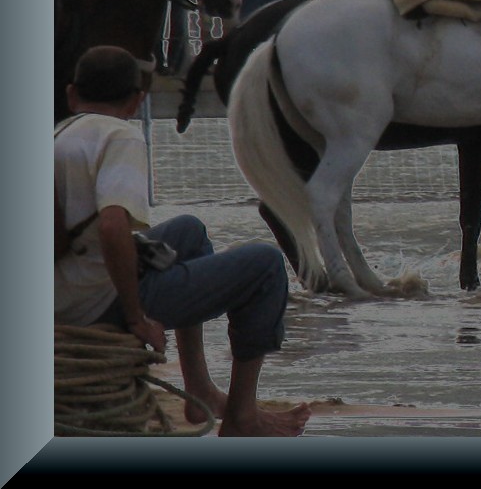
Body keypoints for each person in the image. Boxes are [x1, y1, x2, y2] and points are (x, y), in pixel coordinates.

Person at [55, 45, 311, 436]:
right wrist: (136, 317)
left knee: (187, 230)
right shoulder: (119, 136)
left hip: (62, 288)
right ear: (137, 101)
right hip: (92, 303)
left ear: (73, 95)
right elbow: (111, 227)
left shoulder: (58, 134)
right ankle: (243, 417)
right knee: (265, 264)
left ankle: (201, 388)